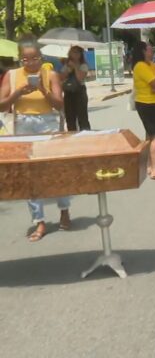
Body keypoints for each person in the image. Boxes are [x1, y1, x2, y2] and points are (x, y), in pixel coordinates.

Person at [0, 37, 70, 241]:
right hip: (23, 123)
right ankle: (39, 220)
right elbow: (2, 105)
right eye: (25, 59)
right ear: (20, 59)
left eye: (35, 59)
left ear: (41, 57)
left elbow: (59, 104)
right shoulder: (12, 75)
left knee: (55, 169)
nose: (30, 63)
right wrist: (18, 93)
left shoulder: (51, 74)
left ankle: (64, 210)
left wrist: (42, 88)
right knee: (29, 174)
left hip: (48, 123)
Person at [132, 41, 155, 180]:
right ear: (143, 52)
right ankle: (154, 169)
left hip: (154, 102)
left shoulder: (150, 65)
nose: (152, 52)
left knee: (150, 135)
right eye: (150, 50)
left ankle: (149, 165)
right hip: (147, 104)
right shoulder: (140, 66)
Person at [61, 45, 91, 131]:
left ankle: (86, 134)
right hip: (68, 92)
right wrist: (68, 69)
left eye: (77, 52)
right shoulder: (67, 65)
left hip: (79, 92)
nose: (75, 54)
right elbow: (61, 77)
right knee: (70, 118)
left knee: (82, 117)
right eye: (73, 52)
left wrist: (75, 67)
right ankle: (72, 134)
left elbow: (80, 78)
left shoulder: (83, 65)